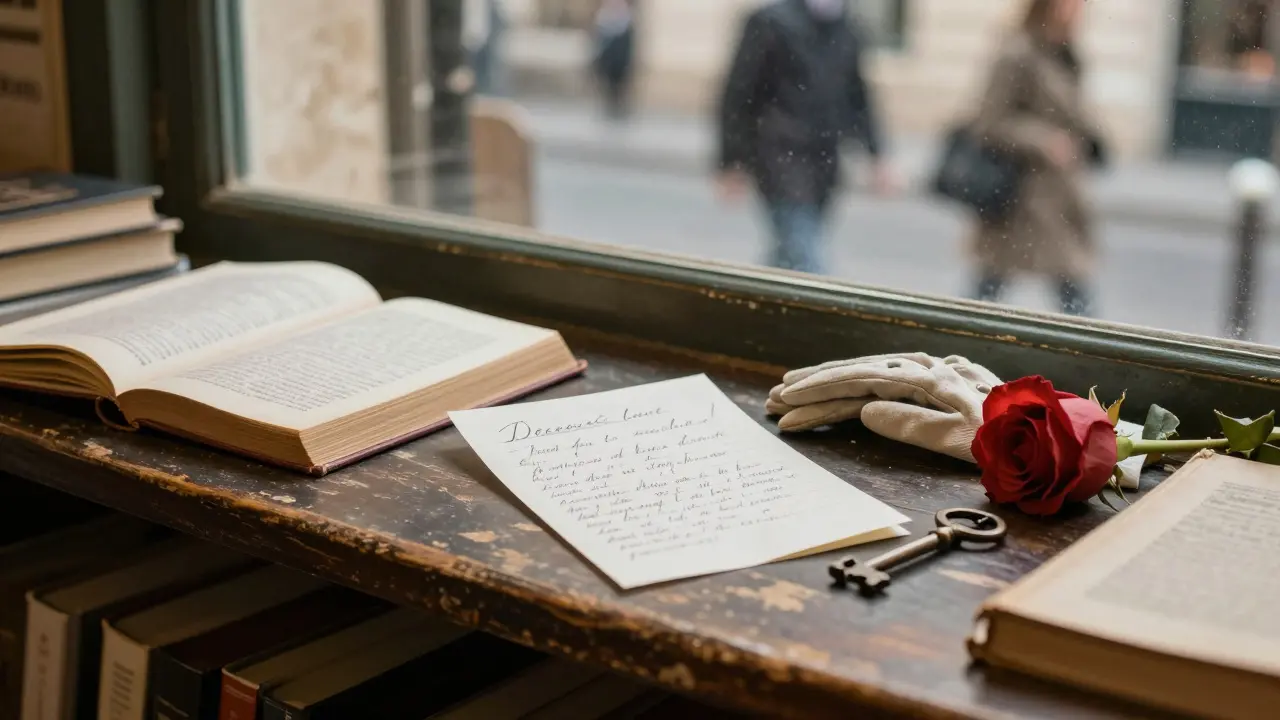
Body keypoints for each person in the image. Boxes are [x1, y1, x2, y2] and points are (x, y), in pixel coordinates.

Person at [715, 0, 894, 275]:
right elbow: (739, 95)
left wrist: (877, 155)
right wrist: (732, 160)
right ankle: (826, 315)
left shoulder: (847, 28)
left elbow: (857, 97)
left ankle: (757, 306)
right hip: (778, 156)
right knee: (806, 255)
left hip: (824, 160)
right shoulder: (770, 22)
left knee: (788, 254)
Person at [968, 0, 1105, 316]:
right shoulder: (1018, 54)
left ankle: (1089, 353)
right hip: (1022, 195)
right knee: (992, 284)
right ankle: (1091, 355)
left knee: (1067, 282)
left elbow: (1073, 112)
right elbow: (989, 123)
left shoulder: (1065, 52)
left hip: (1059, 194)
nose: (1079, 9)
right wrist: (1044, 141)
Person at [592, 0, 637, 120]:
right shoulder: (603, 20)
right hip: (608, 63)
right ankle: (611, 108)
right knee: (610, 87)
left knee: (620, 87)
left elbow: (629, 47)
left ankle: (619, 108)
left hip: (621, 63)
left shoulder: (626, 22)